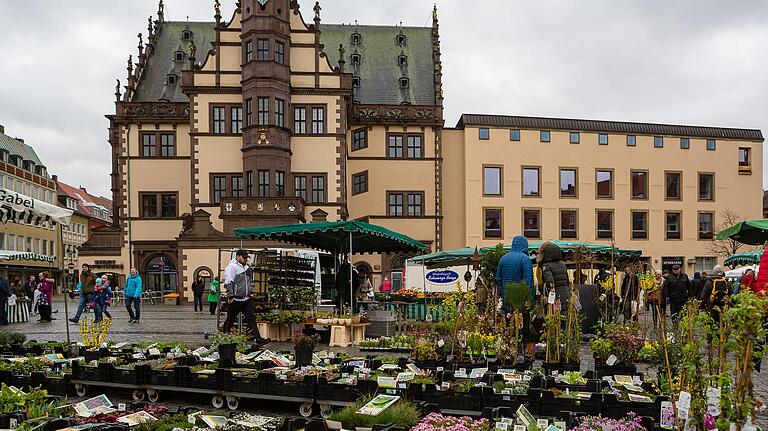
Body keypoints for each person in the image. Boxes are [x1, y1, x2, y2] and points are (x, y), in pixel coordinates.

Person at [222, 250, 269, 345]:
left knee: (251, 318)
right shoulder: (231, 267)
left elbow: (250, 281)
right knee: (230, 319)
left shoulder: (247, 268)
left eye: (247, 258)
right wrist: (230, 295)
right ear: (238, 257)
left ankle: (258, 339)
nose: (246, 259)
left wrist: (251, 291)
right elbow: (228, 282)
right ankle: (224, 337)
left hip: (246, 298)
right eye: (244, 258)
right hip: (235, 299)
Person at [496, 235, 534, 310]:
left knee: (508, 318)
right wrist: (529, 297)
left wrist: (502, 293)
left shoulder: (503, 258)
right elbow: (528, 281)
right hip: (520, 298)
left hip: (506, 296)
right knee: (521, 319)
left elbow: (498, 279)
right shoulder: (525, 259)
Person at [537, 241, 569, 307]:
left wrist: (540, 287)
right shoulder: (562, 264)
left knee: (555, 314)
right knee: (564, 312)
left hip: (555, 296)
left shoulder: (546, 266)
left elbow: (550, 283)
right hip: (565, 293)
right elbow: (567, 281)